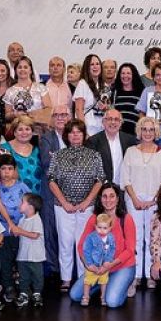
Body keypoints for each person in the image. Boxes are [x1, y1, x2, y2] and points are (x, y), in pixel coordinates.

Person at [48, 119, 106, 292]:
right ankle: (66, 279)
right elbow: (51, 180)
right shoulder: (58, 155)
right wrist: (65, 203)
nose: (75, 135)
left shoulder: (94, 155)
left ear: (83, 134)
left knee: (84, 243)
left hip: (86, 207)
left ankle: (84, 277)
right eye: (72, 132)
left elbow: (100, 179)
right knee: (65, 243)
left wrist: (87, 201)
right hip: (63, 206)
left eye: (78, 132)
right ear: (67, 135)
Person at [120, 117, 161, 294]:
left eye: (151, 130)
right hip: (133, 199)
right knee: (135, 239)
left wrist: (154, 200)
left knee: (151, 238)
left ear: (156, 132)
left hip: (154, 200)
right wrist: (134, 199)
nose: (147, 133)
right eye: (144, 129)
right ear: (139, 131)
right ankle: (134, 276)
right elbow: (125, 178)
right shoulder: (130, 151)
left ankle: (150, 274)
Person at [69, 183, 138, 308]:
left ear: (118, 199)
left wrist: (110, 265)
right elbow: (81, 246)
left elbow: (130, 250)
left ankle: (124, 283)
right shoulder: (94, 219)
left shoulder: (126, 219)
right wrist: (89, 265)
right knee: (75, 295)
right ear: (100, 199)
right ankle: (105, 284)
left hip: (122, 266)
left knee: (112, 302)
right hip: (97, 268)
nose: (108, 200)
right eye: (104, 196)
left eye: (112, 196)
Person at [38, 106, 71, 275]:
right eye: (56, 115)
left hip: (74, 192)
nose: (60, 118)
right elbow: (46, 164)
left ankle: (69, 270)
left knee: (69, 232)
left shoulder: (77, 136)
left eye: (64, 114)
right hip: (51, 190)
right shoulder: (46, 138)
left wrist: (56, 156)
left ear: (70, 117)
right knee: (50, 229)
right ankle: (53, 269)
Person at [0, 153, 31, 304]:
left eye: (10, 168)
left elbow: (30, 207)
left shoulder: (22, 186)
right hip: (4, 231)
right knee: (6, 260)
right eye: (3, 169)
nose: (6, 172)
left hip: (21, 230)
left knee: (22, 259)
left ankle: (24, 286)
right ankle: (8, 287)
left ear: (15, 170)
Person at [86, 107, 138, 186]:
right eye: (109, 119)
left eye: (116, 119)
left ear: (121, 123)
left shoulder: (130, 141)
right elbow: (91, 170)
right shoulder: (93, 141)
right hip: (101, 190)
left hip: (123, 189)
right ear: (103, 122)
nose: (113, 122)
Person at [13, 193, 46, 308]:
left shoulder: (36, 219)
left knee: (37, 275)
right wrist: (15, 231)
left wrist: (19, 231)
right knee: (23, 276)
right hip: (23, 254)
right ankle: (24, 294)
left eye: (22, 202)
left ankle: (37, 293)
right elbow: (19, 232)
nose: (19, 204)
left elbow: (35, 235)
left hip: (35, 255)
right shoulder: (23, 219)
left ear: (30, 207)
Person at [79, 213, 115, 306]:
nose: (101, 231)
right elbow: (86, 251)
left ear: (110, 228)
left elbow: (112, 249)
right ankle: (86, 297)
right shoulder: (91, 237)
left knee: (104, 282)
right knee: (87, 282)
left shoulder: (111, 238)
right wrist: (90, 264)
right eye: (99, 227)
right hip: (93, 265)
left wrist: (108, 261)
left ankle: (103, 297)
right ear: (95, 226)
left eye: (105, 228)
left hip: (104, 265)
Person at [3, 56, 51, 123]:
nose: (22, 70)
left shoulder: (41, 88)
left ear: (31, 70)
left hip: (39, 128)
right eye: (19, 67)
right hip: (19, 129)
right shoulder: (10, 91)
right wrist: (15, 114)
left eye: (25, 67)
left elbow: (49, 109)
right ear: (15, 70)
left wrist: (33, 114)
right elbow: (7, 115)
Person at [2, 115, 42, 193]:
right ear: (14, 132)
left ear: (32, 132)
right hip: (13, 198)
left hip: (37, 198)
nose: (24, 133)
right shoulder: (4, 149)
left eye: (27, 129)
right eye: (20, 129)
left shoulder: (38, 150)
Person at [73, 53, 107, 137]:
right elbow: (78, 109)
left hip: (101, 128)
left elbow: (106, 107)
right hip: (88, 128)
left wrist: (105, 108)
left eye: (97, 64)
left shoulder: (104, 86)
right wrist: (84, 131)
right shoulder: (82, 84)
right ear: (87, 67)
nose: (95, 67)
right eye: (92, 64)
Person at [113, 62, 145, 135]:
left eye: (128, 73)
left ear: (133, 75)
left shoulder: (141, 92)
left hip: (134, 134)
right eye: (123, 73)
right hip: (117, 133)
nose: (125, 76)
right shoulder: (115, 92)